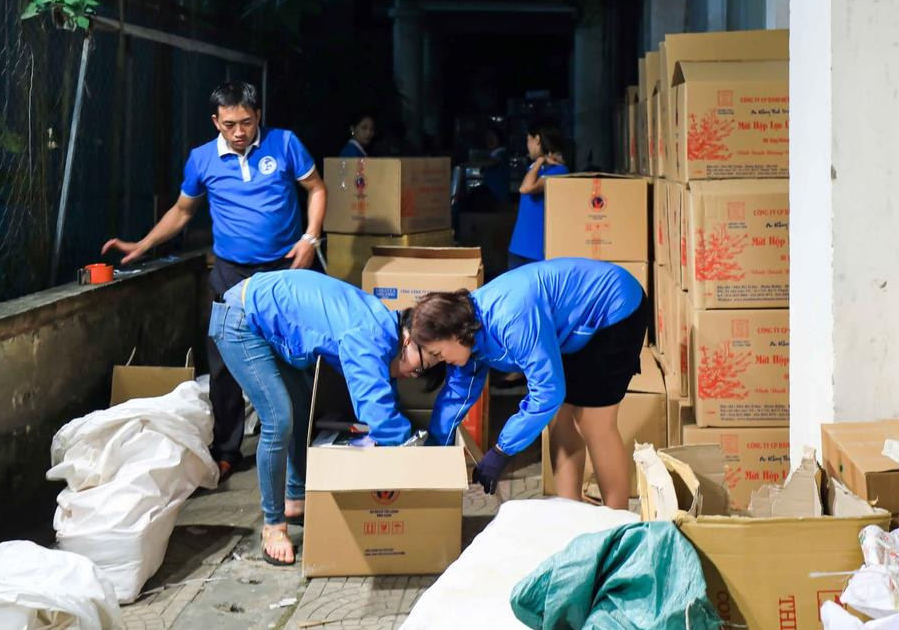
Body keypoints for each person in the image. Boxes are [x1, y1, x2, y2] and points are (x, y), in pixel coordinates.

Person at [102, 81, 327, 481]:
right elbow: (183, 211)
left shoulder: (285, 143)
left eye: (245, 121)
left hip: (284, 271)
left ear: (258, 115)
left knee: (294, 357)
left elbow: (316, 188)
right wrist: (144, 243)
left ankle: (302, 450)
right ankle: (227, 451)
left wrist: (310, 238)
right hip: (230, 272)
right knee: (223, 363)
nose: (238, 131)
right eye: (228, 124)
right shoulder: (202, 159)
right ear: (215, 122)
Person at [209, 269, 440, 565]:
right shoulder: (369, 335)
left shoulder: (384, 327)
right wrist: (421, 459)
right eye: (422, 366)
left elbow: (382, 389)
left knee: (303, 407)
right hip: (240, 319)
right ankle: (273, 526)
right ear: (409, 340)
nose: (414, 376)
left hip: (272, 324)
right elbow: (376, 412)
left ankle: (295, 499)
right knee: (279, 419)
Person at [410, 258, 647, 510]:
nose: (439, 361)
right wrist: (433, 454)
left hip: (614, 306)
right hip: (571, 329)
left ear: (453, 333)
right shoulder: (467, 332)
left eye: (437, 353)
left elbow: (547, 392)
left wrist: (502, 449)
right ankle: (570, 512)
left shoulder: (510, 319)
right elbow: (456, 396)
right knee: (560, 419)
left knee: (593, 422)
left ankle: (618, 519)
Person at [508, 122, 569, 269]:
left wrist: (540, 159)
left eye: (528, 140)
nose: (527, 146)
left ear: (537, 140)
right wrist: (539, 163)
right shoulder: (534, 168)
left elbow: (526, 188)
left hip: (536, 249)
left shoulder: (559, 171)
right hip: (518, 246)